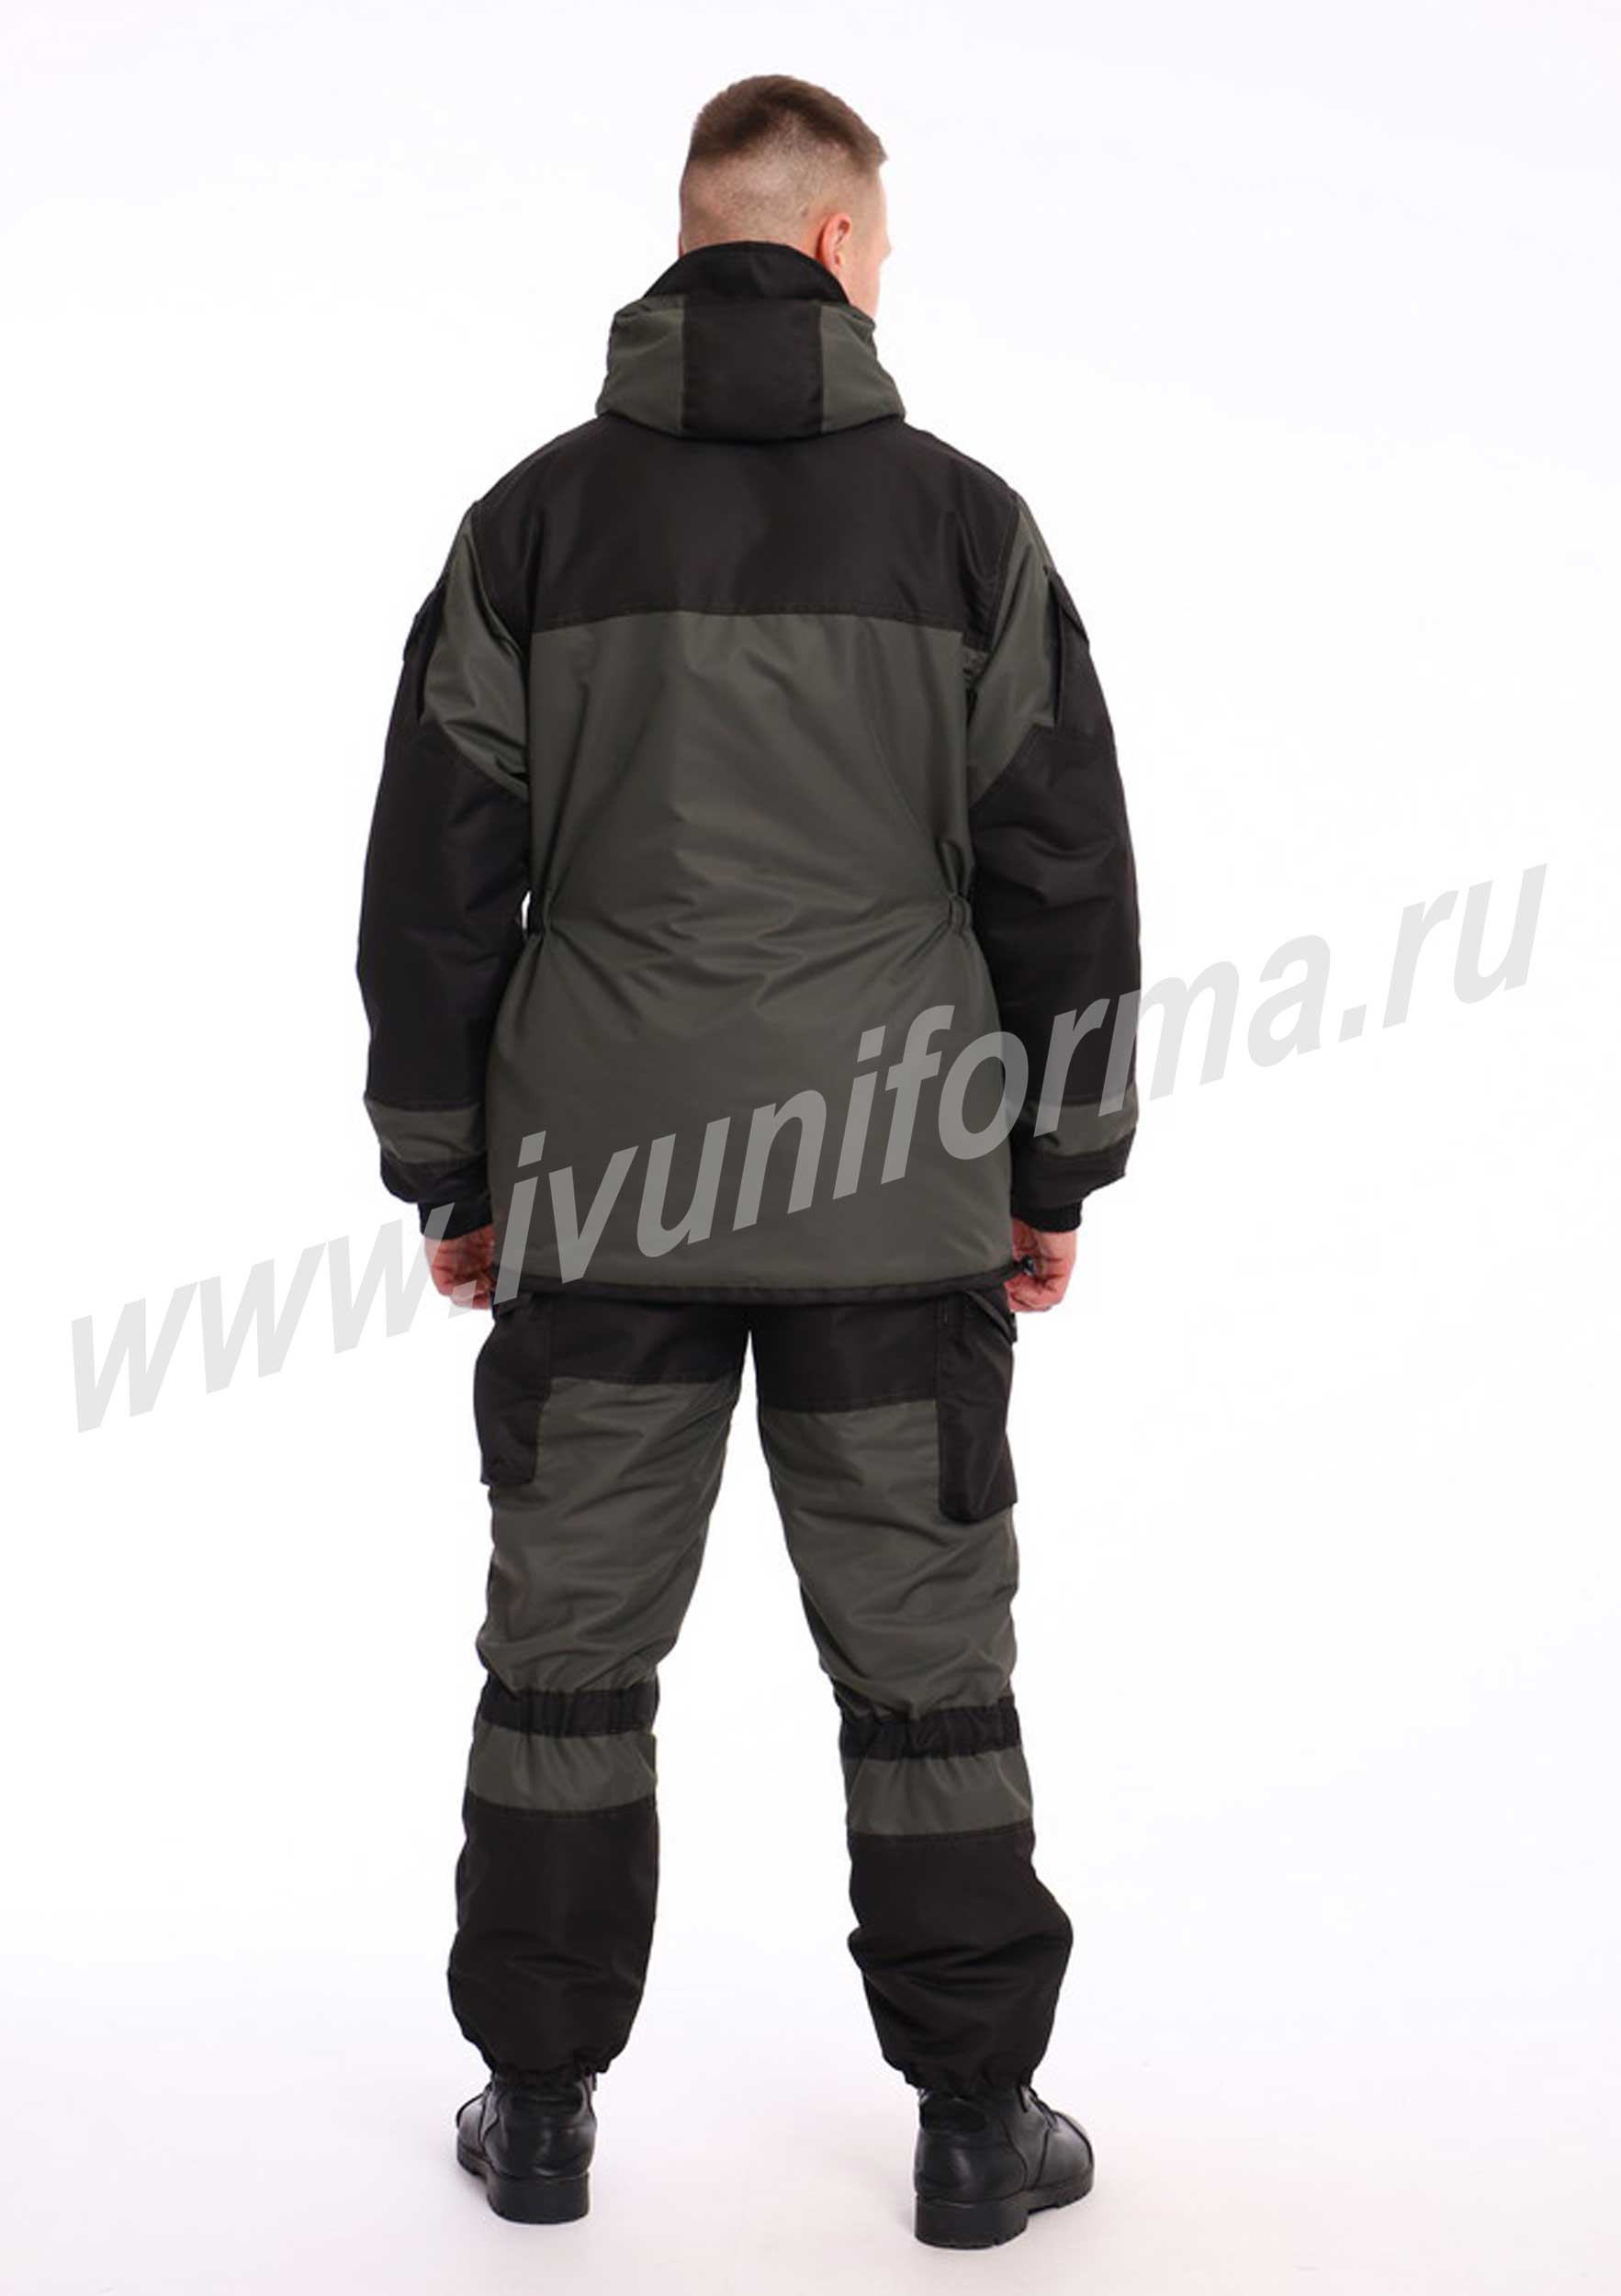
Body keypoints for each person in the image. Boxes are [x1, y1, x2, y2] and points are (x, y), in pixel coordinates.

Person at [356, 72, 1140, 2250]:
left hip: (604, 1195)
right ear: (834, 246)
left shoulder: (530, 525)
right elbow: (1062, 872)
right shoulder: (966, 528)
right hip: (895, 1192)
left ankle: (536, 2109)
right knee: (925, 1670)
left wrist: (450, 1169)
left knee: (567, 1655)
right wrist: (1054, 1167)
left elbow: (437, 878)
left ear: (692, 236)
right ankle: (973, 2125)